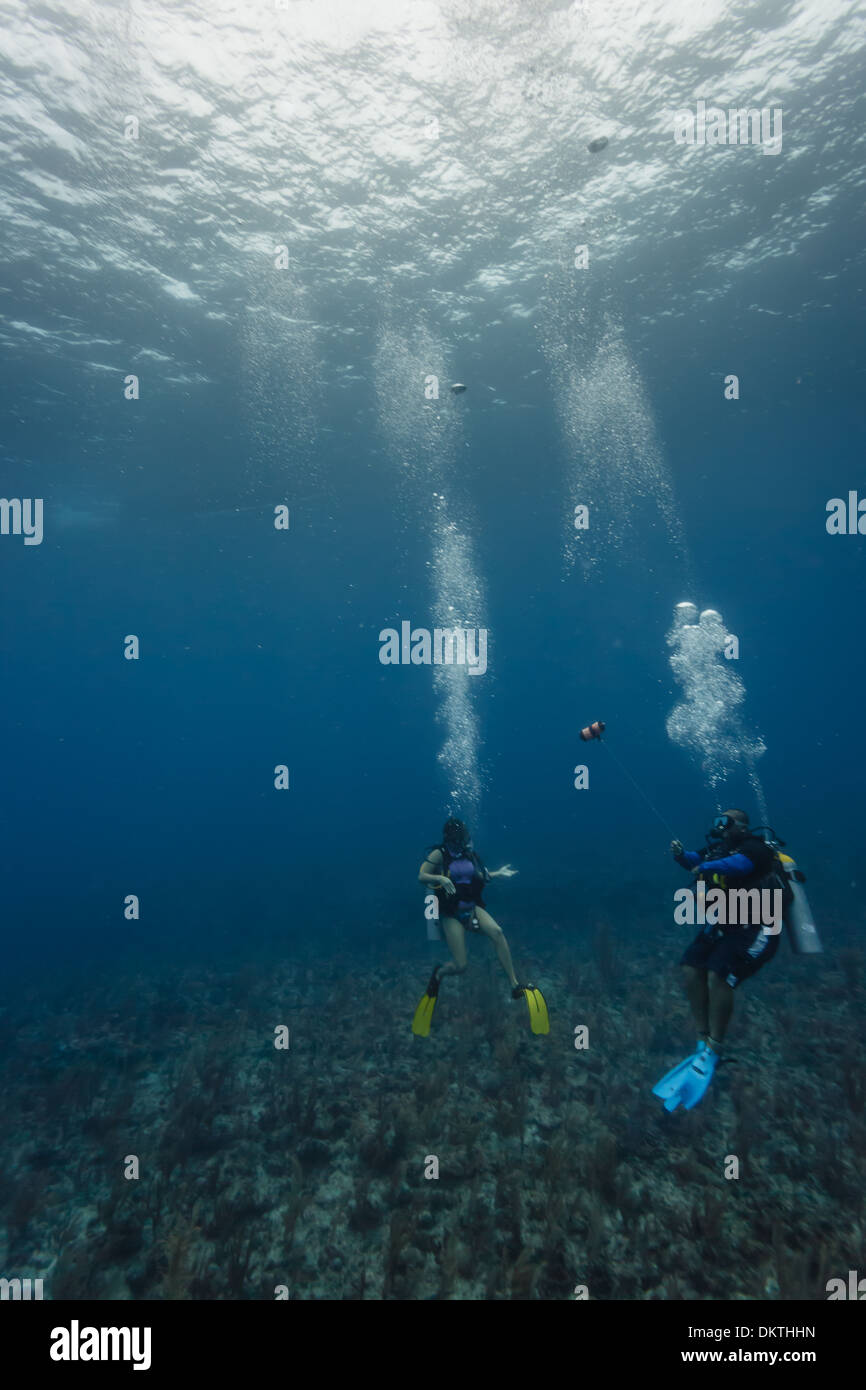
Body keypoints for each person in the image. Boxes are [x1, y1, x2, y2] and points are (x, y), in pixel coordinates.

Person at [653, 808, 780, 1111]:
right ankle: (702, 1040)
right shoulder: (717, 849)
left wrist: (706, 867)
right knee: (690, 967)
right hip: (726, 924)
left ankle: (716, 1047)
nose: (720, 828)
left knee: (718, 976)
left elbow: (736, 866)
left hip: (758, 927)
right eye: (718, 822)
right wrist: (681, 855)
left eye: (726, 822)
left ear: (742, 826)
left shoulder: (757, 849)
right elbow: (694, 862)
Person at [411, 817, 548, 1036]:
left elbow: (480, 876)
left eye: (463, 837)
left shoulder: (468, 853)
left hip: (472, 907)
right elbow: (421, 876)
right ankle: (439, 973)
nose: (462, 841)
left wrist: (498, 873)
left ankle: (514, 985)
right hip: (451, 913)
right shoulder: (439, 854)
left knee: (497, 932)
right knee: (461, 965)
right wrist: (441, 879)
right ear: (449, 837)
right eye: (458, 837)